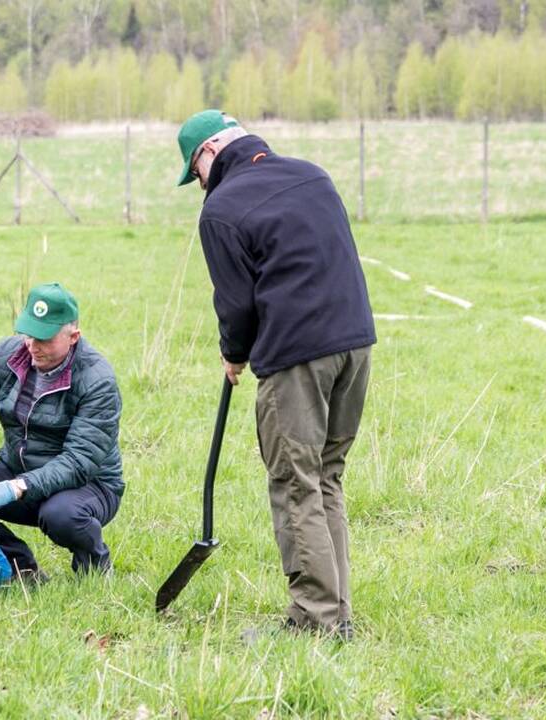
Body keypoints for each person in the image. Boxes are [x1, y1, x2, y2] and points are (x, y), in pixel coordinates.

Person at [176, 109, 376, 640]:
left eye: (194, 173)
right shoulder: (312, 174)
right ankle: (337, 614)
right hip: (355, 345)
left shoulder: (220, 209)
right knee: (325, 478)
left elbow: (236, 302)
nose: (199, 185)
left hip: (297, 358)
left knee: (294, 484)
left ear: (209, 153)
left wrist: (233, 354)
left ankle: (314, 620)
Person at [0, 282, 123, 581]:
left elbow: (79, 462)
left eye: (45, 338)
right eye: (29, 333)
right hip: (19, 472)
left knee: (61, 516)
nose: (33, 345)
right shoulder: (8, 354)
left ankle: (93, 566)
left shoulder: (97, 381)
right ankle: (20, 565)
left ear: (73, 337)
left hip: (87, 486)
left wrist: (13, 488)